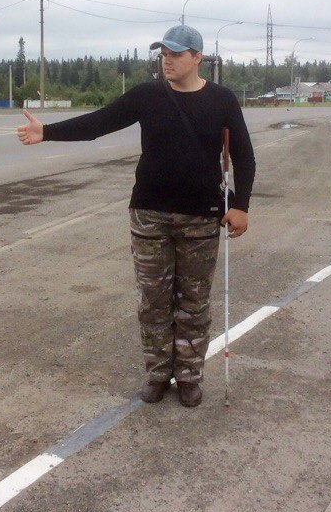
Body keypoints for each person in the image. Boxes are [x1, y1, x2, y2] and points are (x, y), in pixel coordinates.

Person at [17, 24, 255, 408]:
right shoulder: (147, 95)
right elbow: (99, 123)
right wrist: (46, 132)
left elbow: (244, 155)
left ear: (197, 57)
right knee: (154, 302)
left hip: (202, 217)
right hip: (149, 215)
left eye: (176, 55)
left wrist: (241, 205)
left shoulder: (222, 100)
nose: (167, 62)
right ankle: (158, 374)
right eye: (163, 55)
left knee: (194, 303)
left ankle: (190, 376)